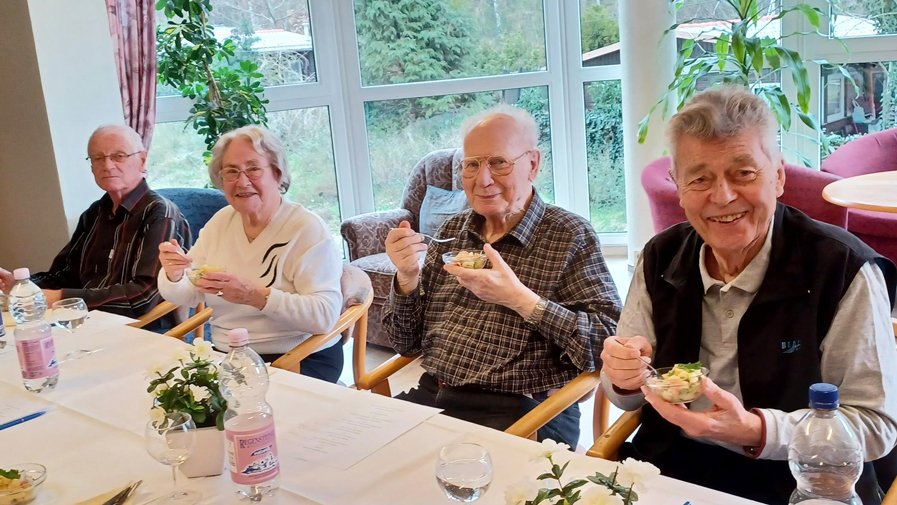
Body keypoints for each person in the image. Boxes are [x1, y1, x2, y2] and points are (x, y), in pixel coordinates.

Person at [600, 86, 897, 504]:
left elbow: (874, 426)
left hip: (798, 481)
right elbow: (623, 393)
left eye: (744, 173)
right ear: (678, 187)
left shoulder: (842, 270)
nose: (722, 196)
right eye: (700, 178)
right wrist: (623, 376)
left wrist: (757, 431)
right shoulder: (660, 257)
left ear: (778, 176)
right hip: (671, 471)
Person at [383, 105, 622, 447]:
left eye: (498, 162)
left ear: (533, 164)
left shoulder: (569, 235)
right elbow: (405, 343)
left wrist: (521, 300)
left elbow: (608, 341)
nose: (483, 179)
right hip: (433, 397)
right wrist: (407, 277)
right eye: (472, 164)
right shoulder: (452, 233)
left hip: (521, 410)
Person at [157, 125, 344, 383]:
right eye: (231, 172)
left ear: (277, 174)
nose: (242, 181)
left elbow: (324, 316)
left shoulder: (305, 228)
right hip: (230, 355)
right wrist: (174, 274)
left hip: (297, 356)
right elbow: (190, 293)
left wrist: (255, 296)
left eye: (254, 169)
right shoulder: (221, 222)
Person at [0, 124, 190, 324]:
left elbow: (143, 297)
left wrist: (60, 298)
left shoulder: (159, 214)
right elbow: (64, 275)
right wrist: (23, 286)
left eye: (119, 156)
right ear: (91, 166)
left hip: (143, 329)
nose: (107, 166)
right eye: (98, 158)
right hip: (85, 321)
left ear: (142, 160)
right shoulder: (95, 213)